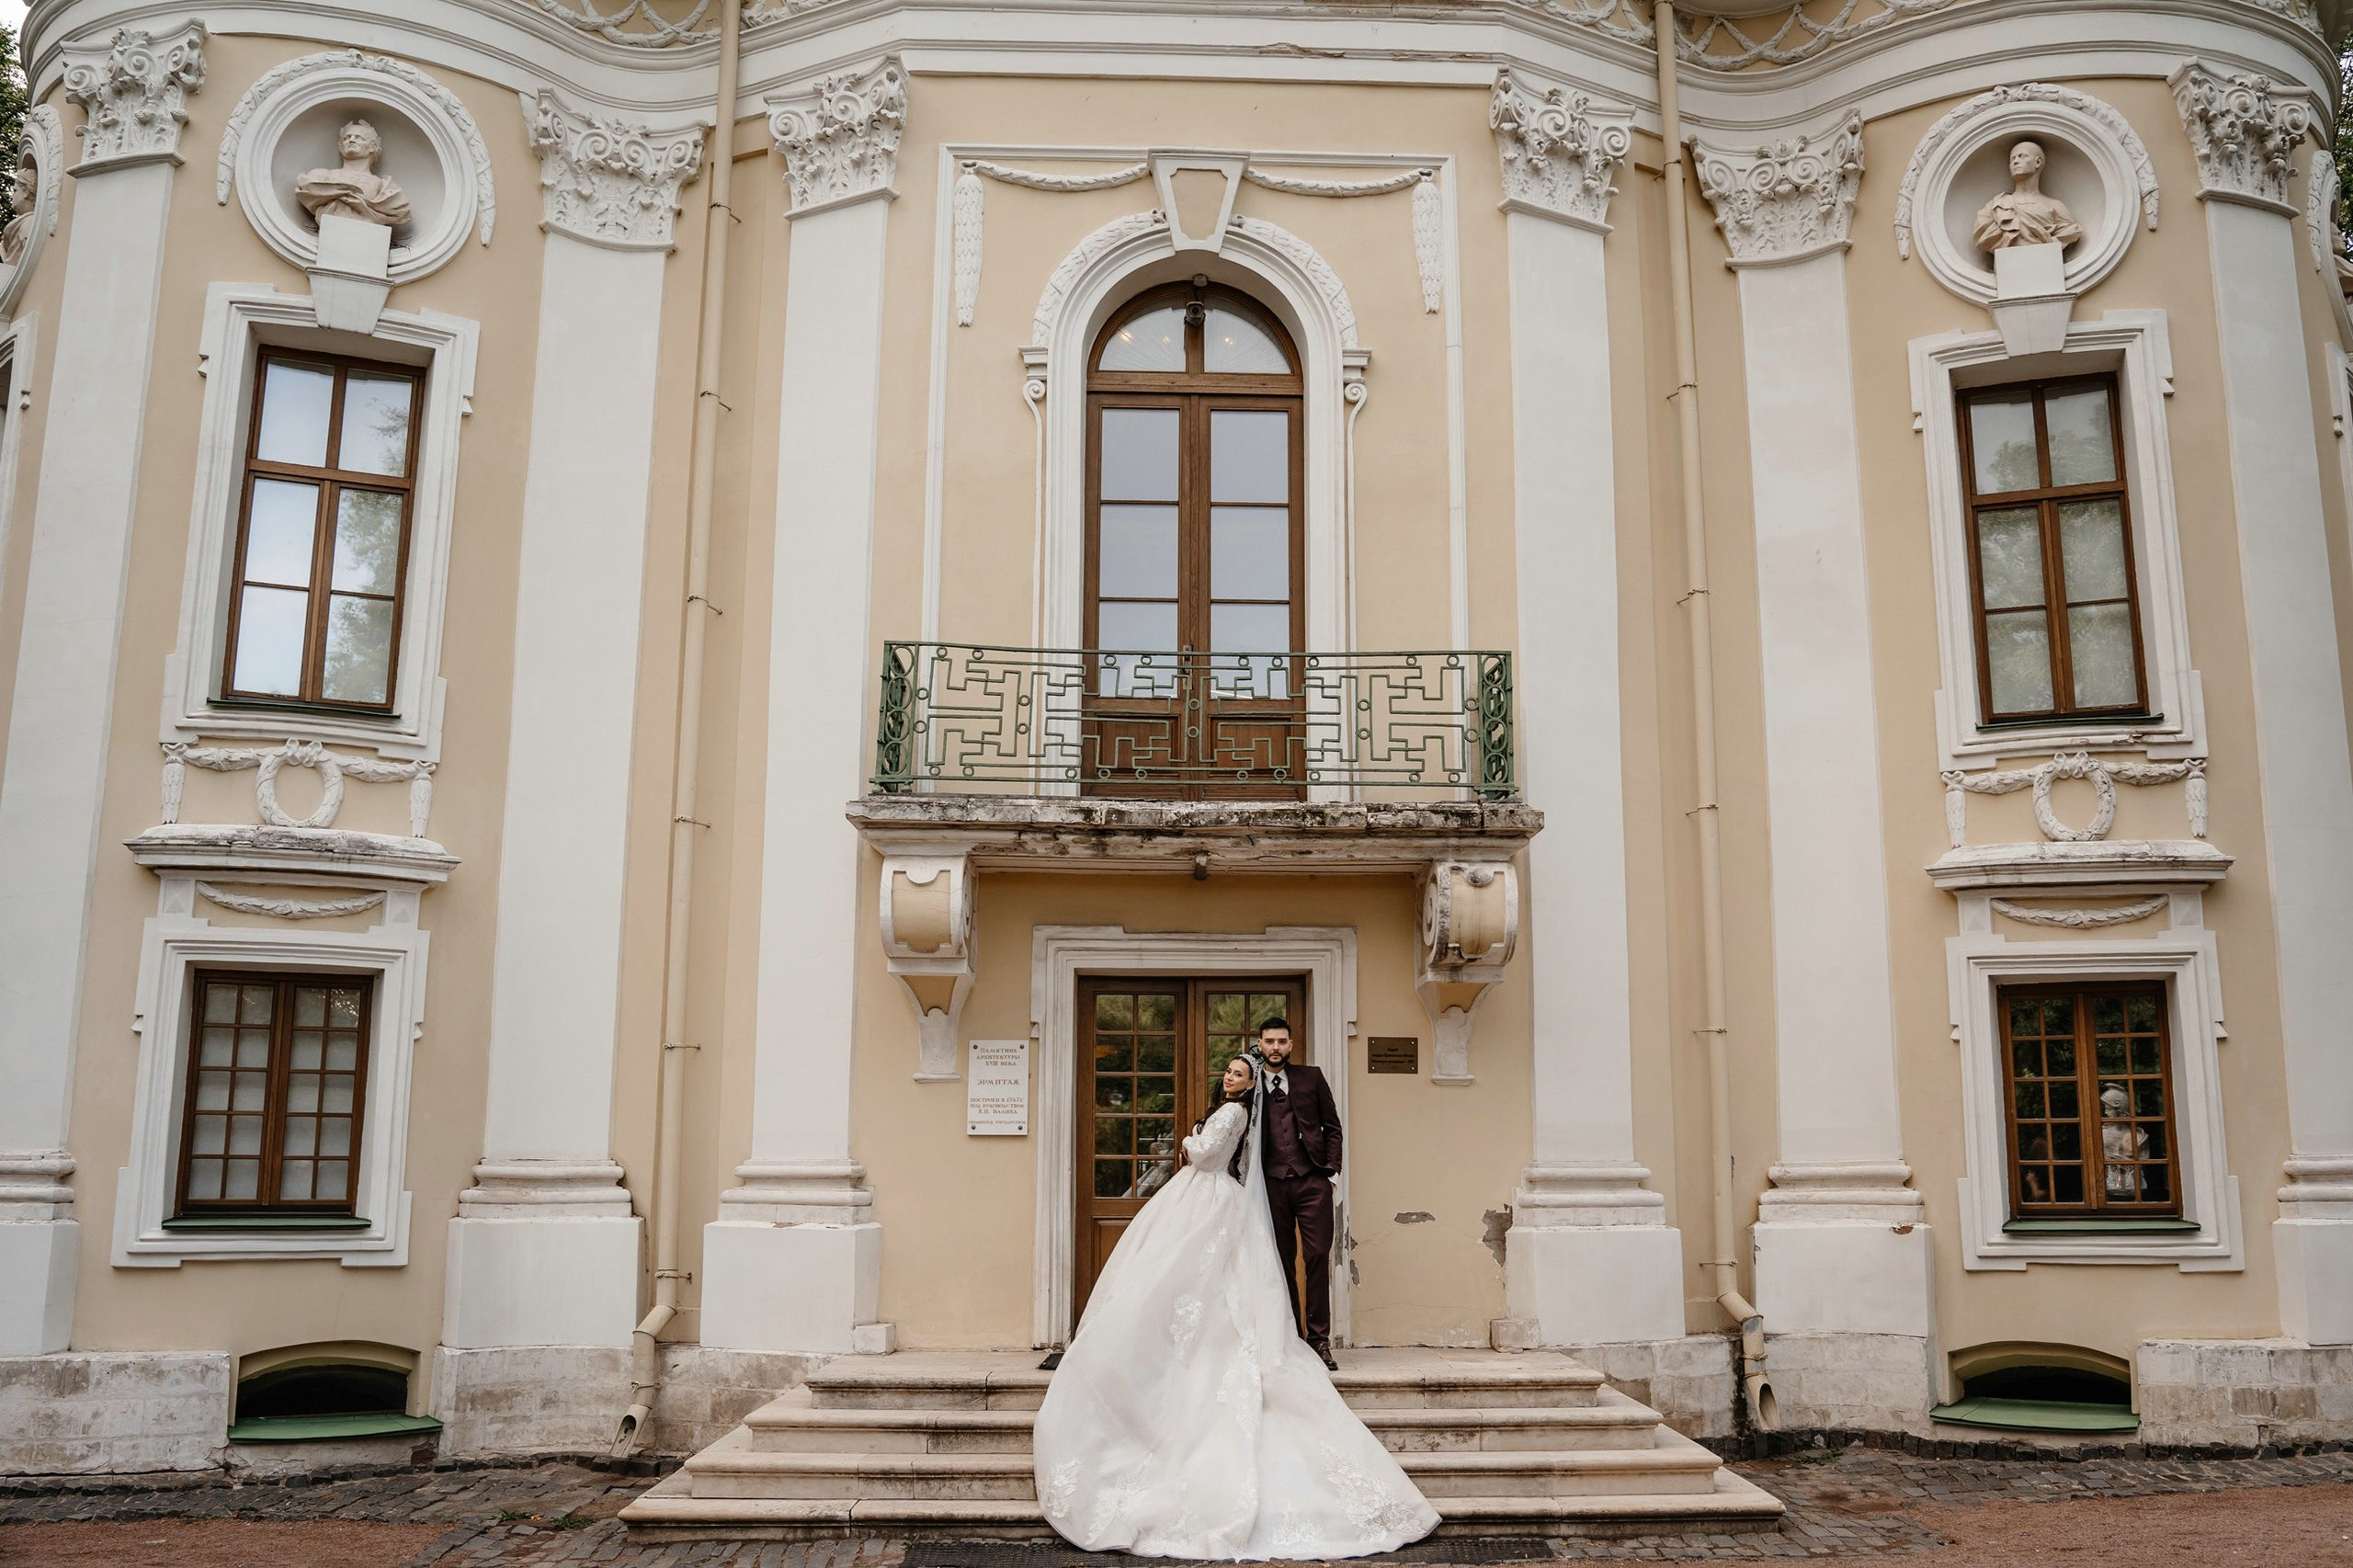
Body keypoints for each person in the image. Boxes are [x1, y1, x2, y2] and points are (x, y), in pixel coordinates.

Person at [1032, 1053, 1436, 1559]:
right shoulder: (1233, 1109)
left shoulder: (1232, 1113)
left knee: (1191, 1284)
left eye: (1238, 1074)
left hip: (1206, 1197)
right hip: (1206, 1200)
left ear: (1250, 1087)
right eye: (1226, 1070)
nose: (1229, 1076)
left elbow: (1204, 1156)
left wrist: (1186, 1139)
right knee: (1192, 1288)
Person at [1248, 1017, 1343, 1371]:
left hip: (1311, 1180)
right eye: (1270, 1041)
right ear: (1259, 1044)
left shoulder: (1311, 1077)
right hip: (1269, 1183)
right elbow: (1224, 1112)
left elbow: (1333, 1127)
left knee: (1318, 1256)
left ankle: (1319, 1341)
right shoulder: (1249, 1080)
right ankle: (1291, 1338)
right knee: (1280, 1260)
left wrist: (1330, 1171)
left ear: (1291, 1045)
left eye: (1282, 1041)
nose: (1276, 1047)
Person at [296, 119, 413, 230]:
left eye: (359, 138)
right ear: (340, 147)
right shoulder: (321, 177)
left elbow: (400, 211)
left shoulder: (385, 187)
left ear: (372, 147)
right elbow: (307, 188)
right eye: (347, 138)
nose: (351, 140)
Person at [1972, 140, 2083, 254]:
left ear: (2038, 162)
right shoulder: (1995, 205)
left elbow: (2071, 231)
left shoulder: (2055, 206)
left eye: (2022, 156)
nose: (2016, 162)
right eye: (2012, 159)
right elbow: (1983, 236)